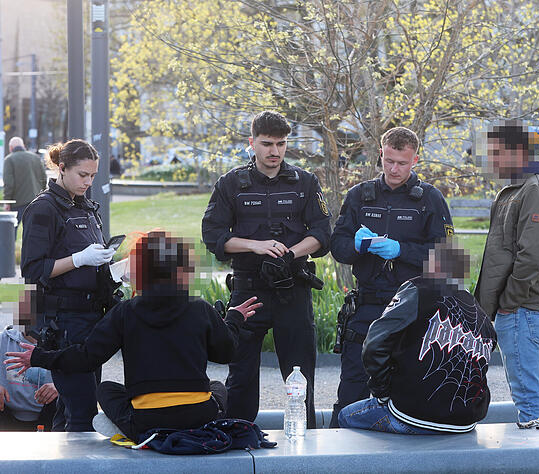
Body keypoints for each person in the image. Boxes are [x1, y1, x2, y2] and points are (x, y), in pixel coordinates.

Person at [5, 231, 261, 443]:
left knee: (105, 390)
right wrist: (233, 320)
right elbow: (226, 353)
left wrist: (38, 356)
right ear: (181, 267)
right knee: (215, 388)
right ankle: (194, 424)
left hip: (147, 419)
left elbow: (86, 358)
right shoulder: (200, 308)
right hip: (198, 415)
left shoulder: (125, 312)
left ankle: (132, 430)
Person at [201, 111, 331, 428]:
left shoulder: (305, 182)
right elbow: (212, 236)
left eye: (281, 144)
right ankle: (236, 438)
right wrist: (255, 245)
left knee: (300, 376)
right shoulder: (231, 184)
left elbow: (323, 234)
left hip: (293, 288)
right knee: (241, 375)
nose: (274, 151)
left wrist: (290, 254)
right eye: (267, 144)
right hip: (248, 289)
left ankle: (306, 446)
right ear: (252, 143)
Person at [328, 127, 454, 427]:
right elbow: (338, 247)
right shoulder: (360, 196)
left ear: (416, 161)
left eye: (402, 163)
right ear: (380, 155)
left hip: (411, 308)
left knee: (406, 391)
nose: (394, 169)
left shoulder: (430, 200)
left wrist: (401, 251)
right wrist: (356, 246)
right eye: (389, 161)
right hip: (368, 306)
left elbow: (449, 260)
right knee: (352, 389)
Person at [338, 240, 497, 434]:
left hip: (410, 416)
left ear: (432, 266)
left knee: (345, 417)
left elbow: (374, 342)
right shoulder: (480, 313)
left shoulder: (419, 289)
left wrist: (382, 392)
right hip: (465, 423)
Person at [19, 138, 115, 432]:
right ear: (61, 168)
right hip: (63, 320)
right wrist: (80, 258)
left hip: (89, 316)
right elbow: (33, 270)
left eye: (93, 176)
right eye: (82, 175)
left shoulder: (85, 207)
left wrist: (107, 264)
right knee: (82, 411)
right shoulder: (44, 209)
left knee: (72, 405)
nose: (88, 182)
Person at [474, 120, 539, 428]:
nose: (492, 160)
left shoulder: (537, 189)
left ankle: (538, 459)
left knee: (528, 402)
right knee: (525, 396)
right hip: (516, 308)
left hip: (523, 308)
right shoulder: (519, 188)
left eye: (497, 153)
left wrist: (509, 302)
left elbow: (532, 257)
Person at [0, 288, 57, 431]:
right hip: (7, 415)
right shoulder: (1, 340)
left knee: (63, 402)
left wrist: (59, 388)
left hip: (47, 416)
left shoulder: (60, 342)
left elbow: (78, 387)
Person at [3, 136, 47, 224]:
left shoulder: (9, 159)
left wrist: (7, 201)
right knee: (33, 231)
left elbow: (9, 184)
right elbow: (44, 179)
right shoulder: (36, 158)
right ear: (23, 146)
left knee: (12, 229)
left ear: (11, 148)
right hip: (36, 201)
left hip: (17, 202)